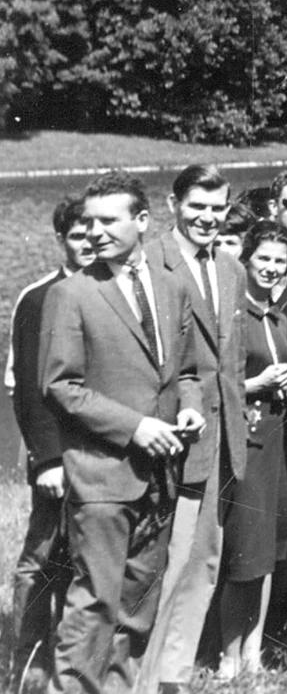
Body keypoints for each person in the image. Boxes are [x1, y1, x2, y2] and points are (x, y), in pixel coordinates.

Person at [42, 171, 206, 694]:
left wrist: (191, 408)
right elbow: (60, 386)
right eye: (88, 222)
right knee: (95, 602)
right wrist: (135, 427)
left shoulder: (172, 286)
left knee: (138, 603)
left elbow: (185, 372)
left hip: (159, 474)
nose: (94, 232)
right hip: (102, 477)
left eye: (108, 221)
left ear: (142, 221)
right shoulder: (72, 294)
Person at [137, 164, 246, 694]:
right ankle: (143, 675)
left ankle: (174, 675)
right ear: (173, 203)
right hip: (171, 437)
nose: (207, 217)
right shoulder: (149, 261)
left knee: (204, 560)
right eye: (197, 206)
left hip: (222, 442)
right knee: (166, 563)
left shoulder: (231, 267)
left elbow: (230, 362)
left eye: (217, 208)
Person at [9, 196, 90, 692]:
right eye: (77, 233)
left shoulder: (113, 290)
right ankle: (28, 665)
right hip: (56, 455)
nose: (88, 241)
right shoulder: (39, 297)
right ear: (61, 238)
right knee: (41, 559)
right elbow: (27, 390)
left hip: (102, 453)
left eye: (95, 231)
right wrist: (47, 460)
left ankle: (76, 663)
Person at [218, 222, 287, 680]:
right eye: (263, 259)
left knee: (268, 552)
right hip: (244, 441)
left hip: (274, 439)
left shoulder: (279, 318)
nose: (270, 268)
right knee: (244, 552)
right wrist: (256, 384)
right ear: (246, 261)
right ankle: (229, 658)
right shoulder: (232, 316)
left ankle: (255, 652)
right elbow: (219, 383)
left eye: (279, 263)